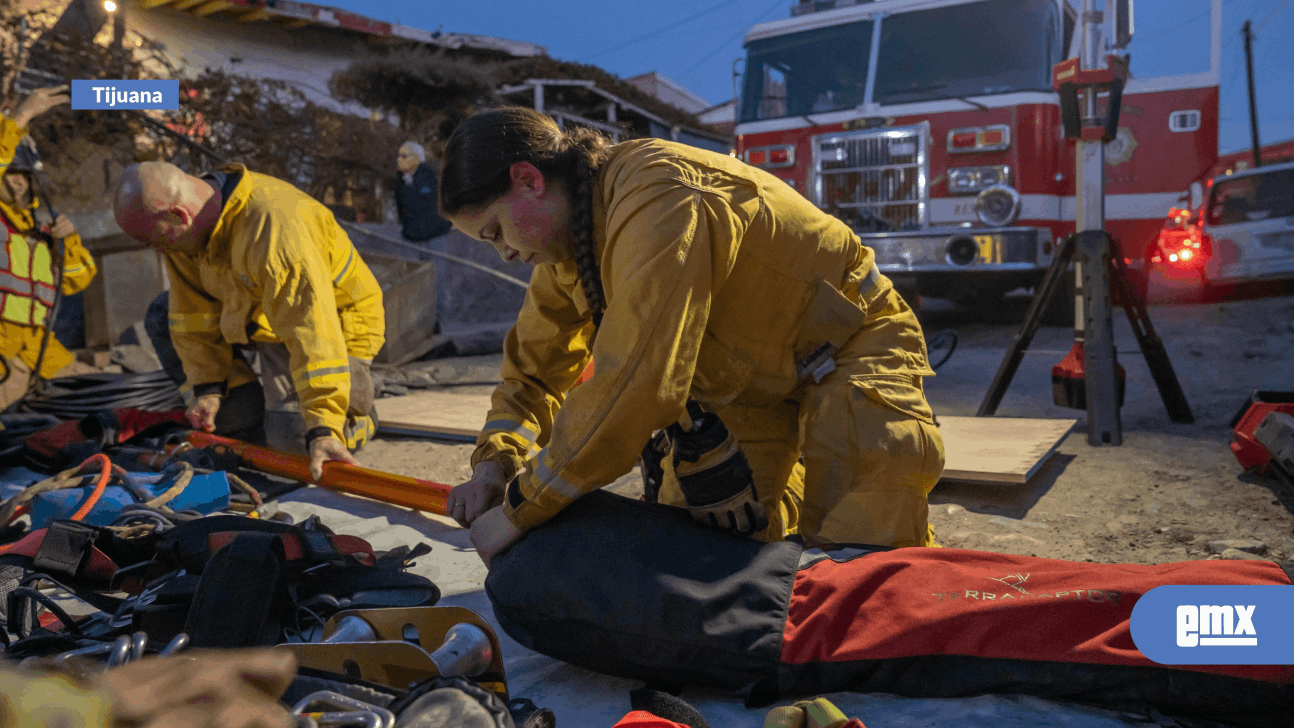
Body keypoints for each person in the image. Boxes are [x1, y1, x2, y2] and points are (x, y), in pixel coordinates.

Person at [441, 107, 944, 566]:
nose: (503, 252)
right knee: (698, 552)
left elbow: (634, 383)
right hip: (745, 386)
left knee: (861, 552)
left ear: (528, 179)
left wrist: (519, 510)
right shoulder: (566, 248)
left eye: (495, 231)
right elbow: (531, 375)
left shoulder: (658, 194)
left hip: (852, 344)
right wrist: (494, 463)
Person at [115, 160, 385, 481]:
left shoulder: (274, 227)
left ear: (179, 215)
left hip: (334, 323)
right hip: (259, 315)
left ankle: (358, 414)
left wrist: (323, 424)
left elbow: (311, 330)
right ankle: (241, 409)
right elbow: (191, 316)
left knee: (298, 445)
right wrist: (208, 390)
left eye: (158, 242)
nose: (160, 253)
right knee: (164, 315)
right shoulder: (188, 233)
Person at [0, 86, 99, 407]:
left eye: (23, 175)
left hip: (39, 345)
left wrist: (69, 240)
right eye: (9, 173)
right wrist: (22, 117)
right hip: (3, 345)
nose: (17, 180)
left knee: (94, 392)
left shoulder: (42, 233)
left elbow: (78, 279)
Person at [394, 141, 452, 243]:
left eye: (403, 156)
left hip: (436, 237)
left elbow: (446, 200)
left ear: (416, 159)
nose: (398, 159)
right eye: (398, 156)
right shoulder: (400, 181)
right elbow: (401, 208)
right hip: (411, 238)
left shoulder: (432, 177)